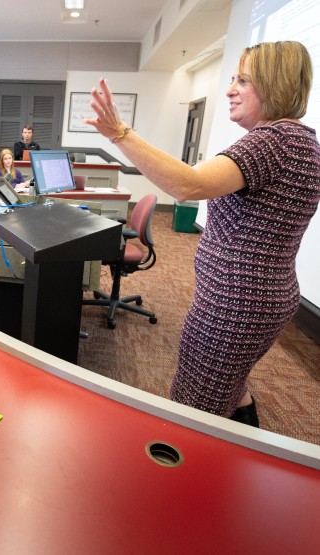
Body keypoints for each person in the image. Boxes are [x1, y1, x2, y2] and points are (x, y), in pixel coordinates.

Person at [84, 40, 320, 427]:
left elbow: (187, 186)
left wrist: (120, 134)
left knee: (194, 412)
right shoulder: (302, 141)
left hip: (235, 306)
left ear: (274, 84)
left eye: (242, 80)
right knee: (232, 389)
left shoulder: (273, 141)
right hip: (260, 299)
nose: (229, 89)